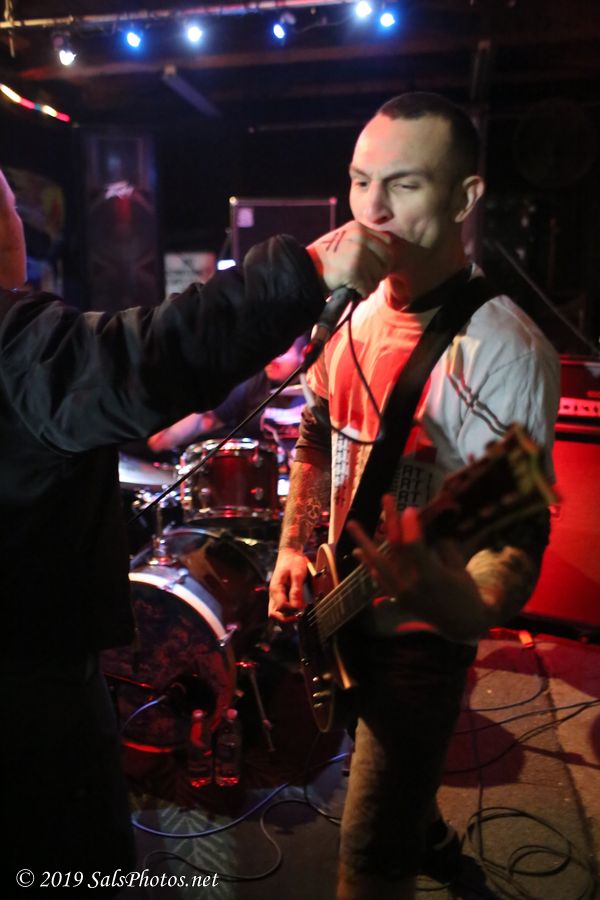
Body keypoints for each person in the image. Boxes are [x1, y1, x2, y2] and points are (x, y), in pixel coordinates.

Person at [0, 158, 397, 893]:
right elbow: (149, 356)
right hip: (28, 692)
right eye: (11, 211)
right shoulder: (12, 342)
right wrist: (303, 272)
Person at [268, 92, 559, 900]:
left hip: (421, 642)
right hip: (340, 590)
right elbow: (315, 434)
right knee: (392, 785)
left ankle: (401, 838)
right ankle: (426, 834)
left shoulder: (506, 350)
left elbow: (516, 534)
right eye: (361, 181)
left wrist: (463, 603)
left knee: (367, 861)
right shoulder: (347, 312)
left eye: (404, 185)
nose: (372, 209)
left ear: (465, 199)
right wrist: (293, 547)